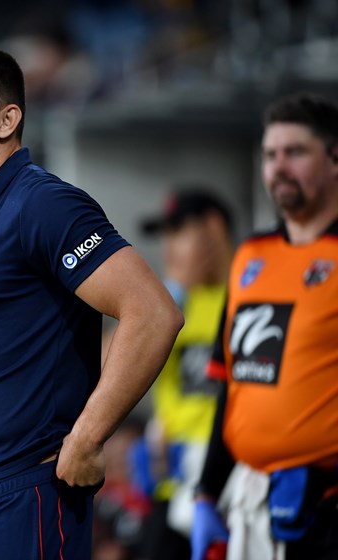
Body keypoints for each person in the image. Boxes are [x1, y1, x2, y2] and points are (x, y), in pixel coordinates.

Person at [0, 45, 184, 559]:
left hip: (21, 498)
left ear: (7, 120)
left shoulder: (43, 203)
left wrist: (88, 437)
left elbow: (153, 312)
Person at [192, 92, 338, 560]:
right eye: (270, 155)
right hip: (253, 500)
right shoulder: (251, 255)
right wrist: (205, 492)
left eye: (295, 152)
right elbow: (231, 385)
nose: (279, 167)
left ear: (334, 158)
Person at [132, 188, 234, 560]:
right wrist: (170, 298)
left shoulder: (246, 294)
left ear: (214, 227)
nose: (169, 248)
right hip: (171, 483)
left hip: (226, 477)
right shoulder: (170, 302)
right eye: (166, 236)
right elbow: (103, 360)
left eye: (180, 232)